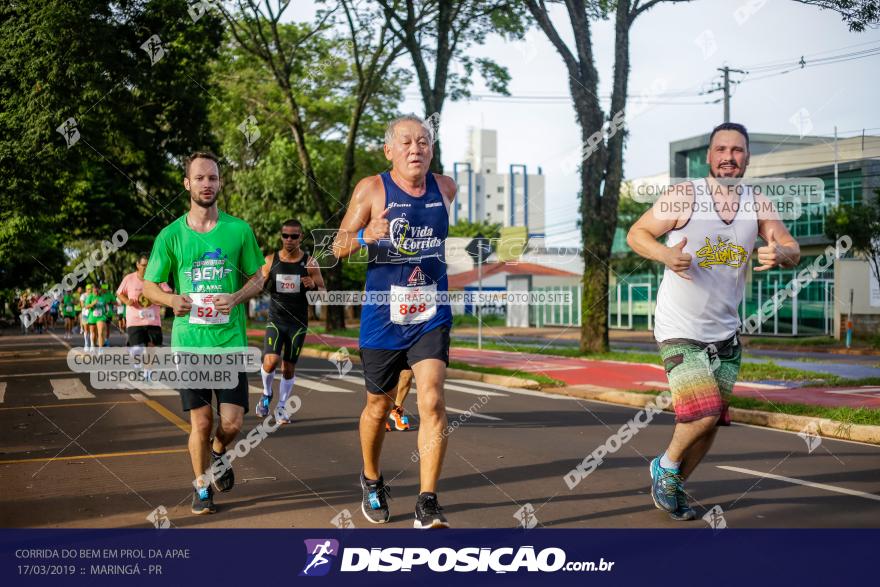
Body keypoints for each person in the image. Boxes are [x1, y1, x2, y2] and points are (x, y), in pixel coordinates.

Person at [626, 122, 800, 521]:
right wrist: (665, 255)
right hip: (679, 328)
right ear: (708, 156)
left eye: (737, 150)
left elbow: (790, 246)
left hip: (725, 332)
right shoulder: (685, 195)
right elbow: (638, 233)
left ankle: (672, 485)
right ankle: (665, 467)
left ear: (747, 158)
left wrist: (782, 255)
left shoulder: (756, 202)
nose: (728, 157)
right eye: (721, 149)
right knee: (703, 414)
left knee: (712, 422)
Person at [333, 114, 456, 529]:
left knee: (432, 400)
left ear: (432, 150)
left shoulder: (446, 188)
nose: (415, 148)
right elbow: (337, 245)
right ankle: (371, 478)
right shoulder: (371, 189)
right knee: (377, 406)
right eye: (405, 142)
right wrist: (367, 235)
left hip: (430, 313)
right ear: (389, 150)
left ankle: (427, 501)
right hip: (383, 317)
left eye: (423, 142)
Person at [143, 151, 265, 515]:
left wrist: (238, 295)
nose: (207, 184)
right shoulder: (171, 235)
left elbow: (259, 277)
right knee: (201, 420)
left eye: (212, 178)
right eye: (200, 178)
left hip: (229, 342)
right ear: (187, 184)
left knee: (231, 423)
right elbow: (149, 285)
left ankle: (217, 454)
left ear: (220, 183)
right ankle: (200, 487)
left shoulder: (238, 230)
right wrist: (169, 299)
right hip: (190, 343)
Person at [257, 219, 325, 423]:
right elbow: (257, 285)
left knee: (288, 367)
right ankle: (267, 393)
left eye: (294, 236)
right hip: (275, 320)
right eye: (285, 235)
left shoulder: (310, 262)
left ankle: (281, 407)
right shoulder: (270, 260)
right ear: (281, 236)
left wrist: (313, 284)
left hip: (298, 323)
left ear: (300, 237)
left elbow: (324, 293)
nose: (289, 239)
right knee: (270, 362)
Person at [117, 254, 172, 380]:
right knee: (137, 349)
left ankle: (148, 372)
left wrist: (160, 298)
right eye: (143, 265)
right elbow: (119, 293)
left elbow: (168, 292)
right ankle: (136, 360)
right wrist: (127, 301)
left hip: (153, 320)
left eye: (148, 265)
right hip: (134, 320)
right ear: (137, 265)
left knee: (152, 347)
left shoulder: (157, 278)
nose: (146, 268)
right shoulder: (129, 278)